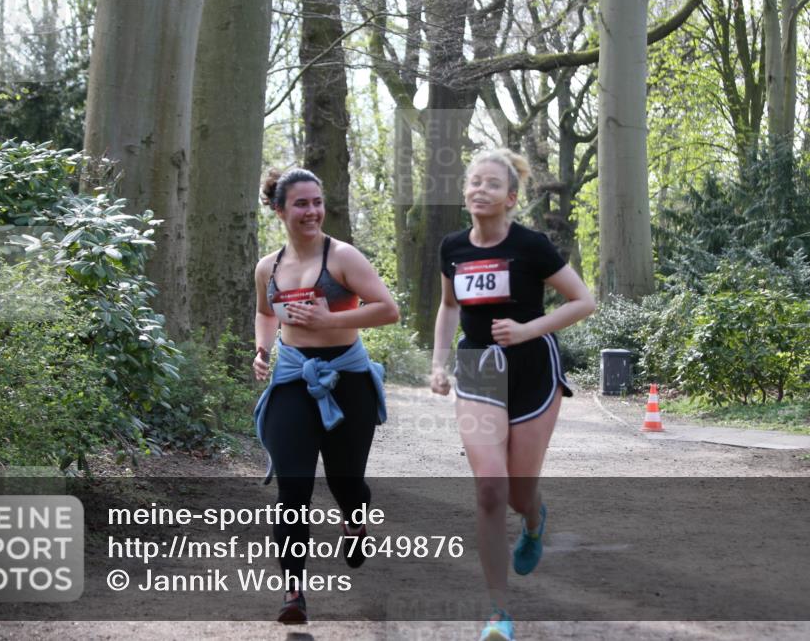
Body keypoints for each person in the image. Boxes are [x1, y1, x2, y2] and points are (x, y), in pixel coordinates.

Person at [430, 149, 596, 641]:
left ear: (510, 197)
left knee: (520, 491)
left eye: (492, 184)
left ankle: (533, 519)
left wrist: (527, 330)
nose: (480, 189)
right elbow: (447, 307)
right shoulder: (452, 248)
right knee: (489, 488)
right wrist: (439, 363)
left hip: (532, 369)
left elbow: (583, 301)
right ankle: (498, 612)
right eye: (473, 182)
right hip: (479, 366)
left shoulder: (532, 246)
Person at [252, 167, 399, 624]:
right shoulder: (268, 267)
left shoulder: (343, 257)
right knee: (292, 487)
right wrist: (262, 349)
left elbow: (388, 310)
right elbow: (265, 312)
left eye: (317, 202)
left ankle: (354, 519)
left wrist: (329, 321)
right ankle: (293, 593)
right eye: (301, 203)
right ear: (279, 210)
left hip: (347, 381)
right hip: (293, 381)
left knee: (345, 481)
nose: (312, 211)